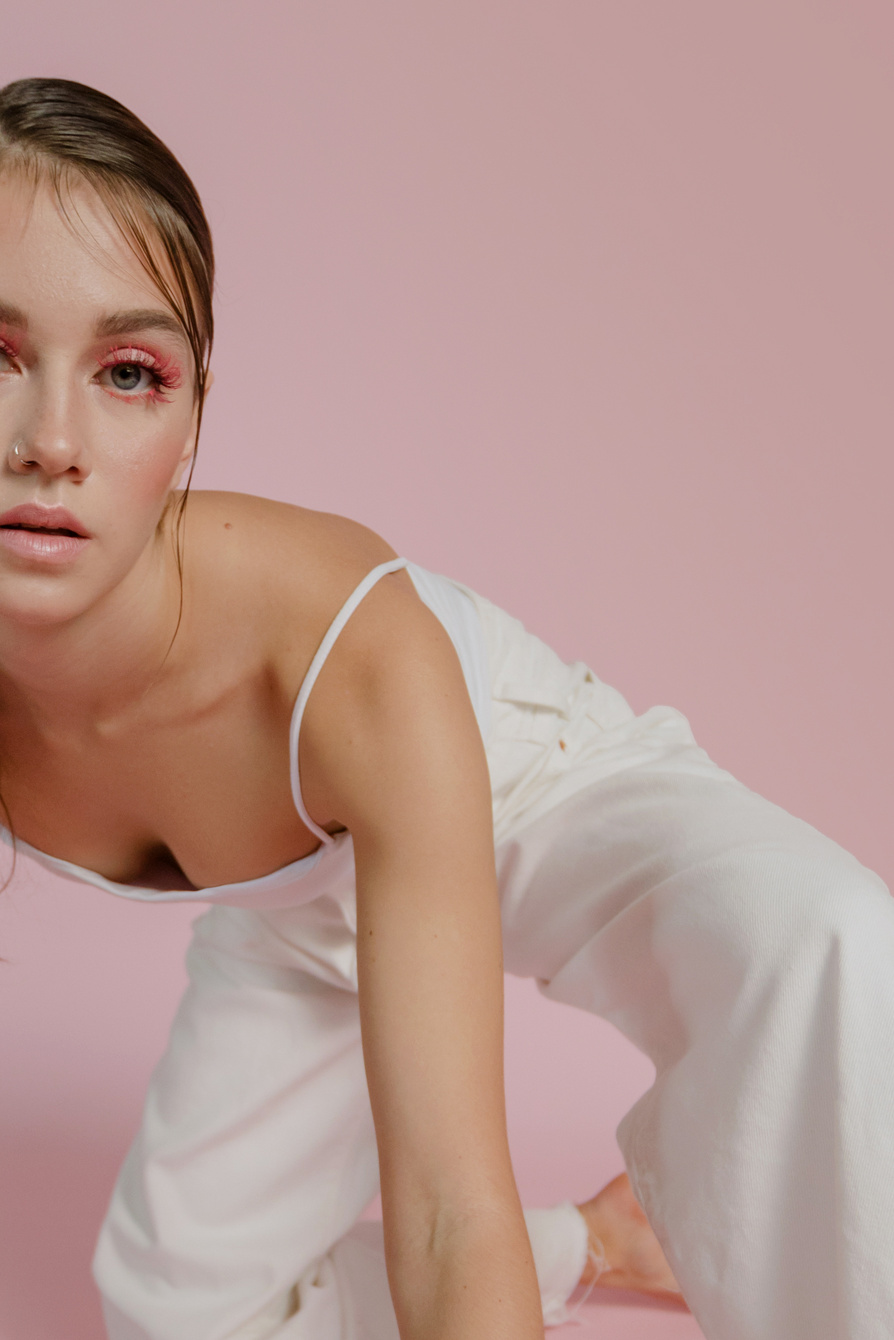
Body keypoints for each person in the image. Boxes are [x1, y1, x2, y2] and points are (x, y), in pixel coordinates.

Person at [0, 76, 890, 1340]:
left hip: (515, 776)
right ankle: (606, 1240)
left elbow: (447, 1206)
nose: (50, 440)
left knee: (828, 942)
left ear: (193, 421)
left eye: (129, 372)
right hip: (299, 890)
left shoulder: (345, 647)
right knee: (174, 1315)